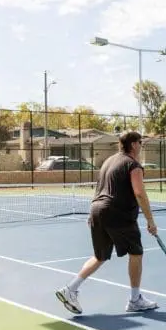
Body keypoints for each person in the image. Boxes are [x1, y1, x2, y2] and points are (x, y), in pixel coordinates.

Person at [55, 131, 159, 314]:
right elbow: (139, 192)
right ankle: (135, 300)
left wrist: (93, 214)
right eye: (140, 142)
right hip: (118, 213)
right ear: (134, 144)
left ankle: (70, 289)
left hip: (97, 210)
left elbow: (100, 188)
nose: (141, 146)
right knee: (136, 252)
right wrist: (151, 221)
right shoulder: (133, 165)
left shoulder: (109, 161)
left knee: (100, 256)